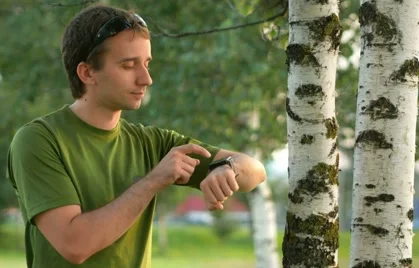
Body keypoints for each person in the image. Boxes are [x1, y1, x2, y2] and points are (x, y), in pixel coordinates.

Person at [7, 4, 266, 268]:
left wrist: (228, 168)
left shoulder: (153, 143)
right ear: (87, 72)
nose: (146, 79)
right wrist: (154, 180)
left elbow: (255, 170)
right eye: (129, 65)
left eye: (146, 64)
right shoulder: (38, 140)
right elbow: (75, 244)